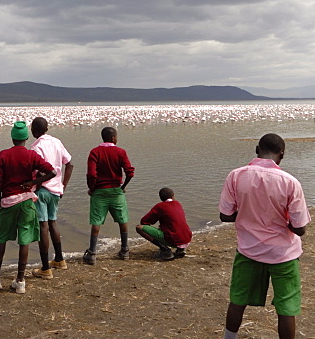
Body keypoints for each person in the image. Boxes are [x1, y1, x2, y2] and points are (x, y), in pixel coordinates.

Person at [217, 133, 310, 339]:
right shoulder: (290, 182)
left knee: (237, 301)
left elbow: (225, 215)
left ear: (257, 149)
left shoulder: (236, 176)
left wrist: (247, 213)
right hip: (283, 255)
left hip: (248, 251)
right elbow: (300, 227)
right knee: (286, 309)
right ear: (282, 154)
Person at [0, 122, 56, 294]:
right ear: (26, 138)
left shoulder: (3, 155)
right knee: (24, 239)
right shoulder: (31, 155)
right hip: (26, 202)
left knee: (1, 239)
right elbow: (52, 172)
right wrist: (33, 183)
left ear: (12, 137)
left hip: (8, 202)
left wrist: (0, 202)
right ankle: (20, 280)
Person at [84, 126, 135, 265]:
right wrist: (123, 187)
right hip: (116, 191)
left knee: (96, 222)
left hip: (99, 192)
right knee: (122, 220)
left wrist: (92, 189)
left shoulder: (95, 152)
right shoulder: (121, 152)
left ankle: (92, 253)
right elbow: (130, 172)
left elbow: (91, 174)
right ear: (113, 138)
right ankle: (125, 250)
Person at [29, 117, 73, 278]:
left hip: (42, 191)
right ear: (46, 129)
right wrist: (63, 185)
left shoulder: (36, 147)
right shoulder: (56, 142)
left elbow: (40, 171)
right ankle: (60, 260)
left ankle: (45, 268)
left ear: (33, 130)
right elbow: (69, 163)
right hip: (56, 191)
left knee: (43, 227)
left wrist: (35, 184)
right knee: (53, 222)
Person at [135, 187, 193, 260]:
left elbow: (144, 221)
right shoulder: (178, 204)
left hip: (174, 240)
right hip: (187, 238)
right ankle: (180, 250)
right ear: (173, 196)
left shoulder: (160, 206)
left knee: (139, 228)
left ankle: (165, 250)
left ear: (161, 198)